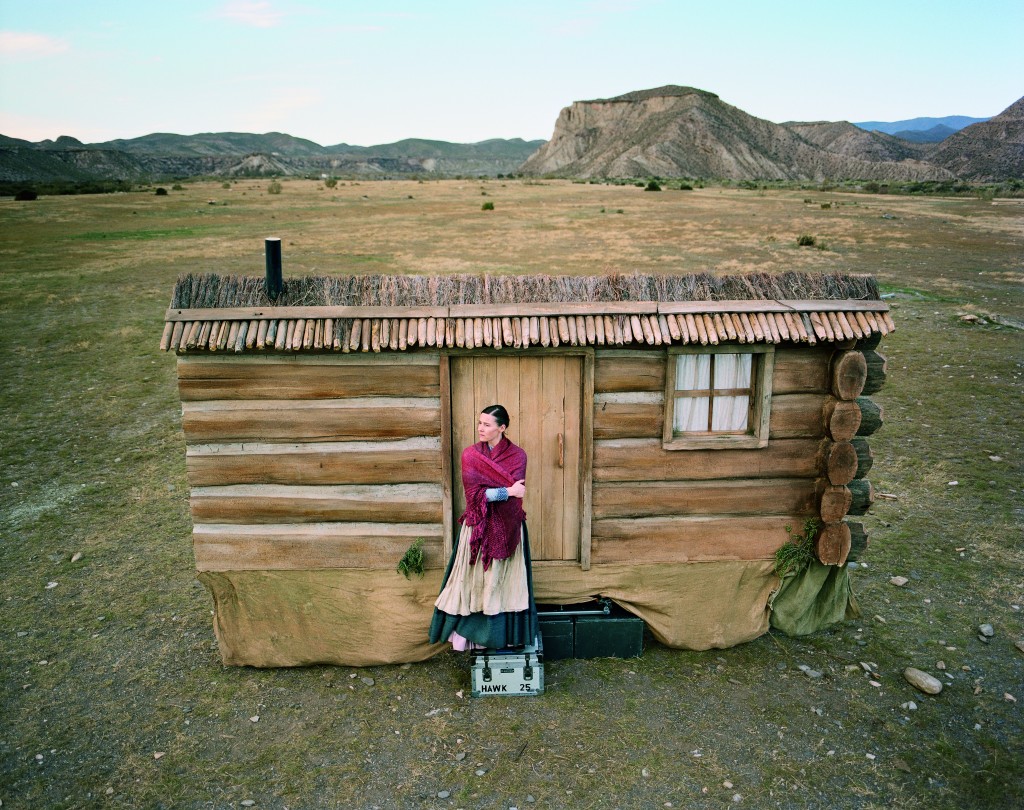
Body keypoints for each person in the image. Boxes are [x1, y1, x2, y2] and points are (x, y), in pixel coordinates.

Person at [429, 405, 538, 651]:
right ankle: (471, 638)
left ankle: (504, 636)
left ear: (502, 428)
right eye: (479, 423)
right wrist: (508, 491)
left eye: (487, 424)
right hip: (477, 528)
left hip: (509, 528)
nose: (480, 428)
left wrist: (498, 493)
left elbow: (505, 494)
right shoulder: (470, 455)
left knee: (504, 582)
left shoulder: (518, 455)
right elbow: (474, 497)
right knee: (473, 581)